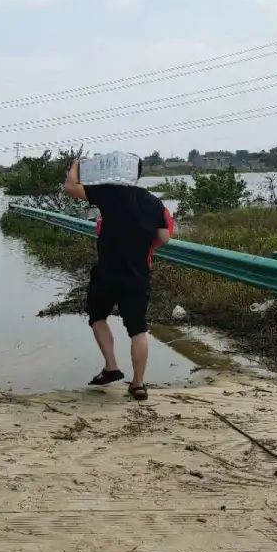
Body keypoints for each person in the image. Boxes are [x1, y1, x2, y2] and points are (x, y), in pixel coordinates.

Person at [63, 158, 173, 400]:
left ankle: (112, 366)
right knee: (138, 329)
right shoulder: (154, 202)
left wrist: (76, 166)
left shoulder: (110, 192)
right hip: (138, 275)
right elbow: (164, 237)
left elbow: (71, 188)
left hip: (107, 272)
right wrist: (146, 248)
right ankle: (138, 384)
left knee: (97, 315)